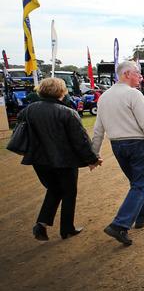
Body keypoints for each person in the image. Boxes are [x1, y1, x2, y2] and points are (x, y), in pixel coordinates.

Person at [92, 61, 144, 246]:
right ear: (127, 74)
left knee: (136, 183)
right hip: (137, 145)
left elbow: (98, 130)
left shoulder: (104, 97)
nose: (140, 76)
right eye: (137, 73)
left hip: (117, 146)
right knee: (140, 185)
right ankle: (120, 224)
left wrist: (94, 154)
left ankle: (142, 216)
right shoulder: (134, 95)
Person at [17, 77, 102, 241]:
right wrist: (92, 159)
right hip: (64, 161)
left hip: (39, 161)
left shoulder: (28, 110)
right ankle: (67, 228)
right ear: (62, 92)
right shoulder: (68, 112)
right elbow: (81, 141)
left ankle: (41, 225)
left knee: (54, 189)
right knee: (69, 193)